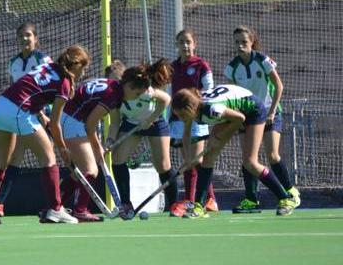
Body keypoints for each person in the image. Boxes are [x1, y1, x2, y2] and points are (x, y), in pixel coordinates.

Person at [0, 45, 90, 225]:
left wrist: (40, 116)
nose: (84, 73)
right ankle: (55, 209)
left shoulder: (49, 67)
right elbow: (55, 124)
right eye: (83, 68)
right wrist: (63, 147)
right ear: (75, 65)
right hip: (19, 111)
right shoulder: (65, 83)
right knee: (49, 157)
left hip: (1, 105)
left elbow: (32, 91)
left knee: (1, 160)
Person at [171, 84, 299, 218]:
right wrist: (189, 160)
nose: (180, 118)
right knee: (207, 160)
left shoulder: (213, 109)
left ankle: (285, 198)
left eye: (180, 114)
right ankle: (199, 206)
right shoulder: (192, 110)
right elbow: (186, 135)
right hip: (234, 112)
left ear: (189, 109)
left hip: (252, 110)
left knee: (250, 162)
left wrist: (220, 136)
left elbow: (240, 119)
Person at [225, 26, 300, 213]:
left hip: (269, 113)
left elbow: (279, 86)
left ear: (251, 42)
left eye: (244, 42)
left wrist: (272, 112)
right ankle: (251, 200)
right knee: (248, 159)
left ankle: (290, 192)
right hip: (248, 116)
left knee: (272, 155)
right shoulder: (232, 67)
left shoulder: (262, 60)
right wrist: (238, 116)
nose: (240, 45)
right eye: (237, 42)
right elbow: (234, 95)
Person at [0, 22, 53, 217]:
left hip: (44, 116)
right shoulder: (13, 63)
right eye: (21, 36)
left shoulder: (43, 59)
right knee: (16, 159)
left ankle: (60, 204)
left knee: (52, 157)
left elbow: (49, 89)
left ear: (36, 38)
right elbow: (16, 92)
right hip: (23, 115)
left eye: (28, 35)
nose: (24, 39)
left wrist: (44, 114)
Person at [107, 59, 179, 219]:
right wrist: (110, 140)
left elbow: (166, 100)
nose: (115, 84)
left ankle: (174, 204)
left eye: (118, 80)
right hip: (131, 123)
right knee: (118, 159)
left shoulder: (145, 90)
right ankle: (126, 204)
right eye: (111, 80)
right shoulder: (112, 96)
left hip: (155, 121)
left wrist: (150, 119)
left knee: (163, 165)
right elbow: (115, 122)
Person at [59, 74, 124, 222]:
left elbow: (113, 121)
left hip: (70, 118)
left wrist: (107, 142)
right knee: (91, 170)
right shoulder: (114, 94)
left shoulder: (111, 87)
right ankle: (80, 210)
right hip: (73, 120)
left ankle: (54, 206)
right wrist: (97, 147)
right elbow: (90, 124)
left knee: (80, 173)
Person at [168, 29, 219, 215]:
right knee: (190, 161)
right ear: (177, 45)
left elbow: (209, 90)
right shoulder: (173, 67)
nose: (185, 46)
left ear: (194, 44)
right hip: (178, 118)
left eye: (188, 42)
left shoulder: (201, 65)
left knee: (195, 160)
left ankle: (191, 200)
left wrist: (197, 106)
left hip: (196, 118)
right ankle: (210, 199)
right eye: (181, 42)